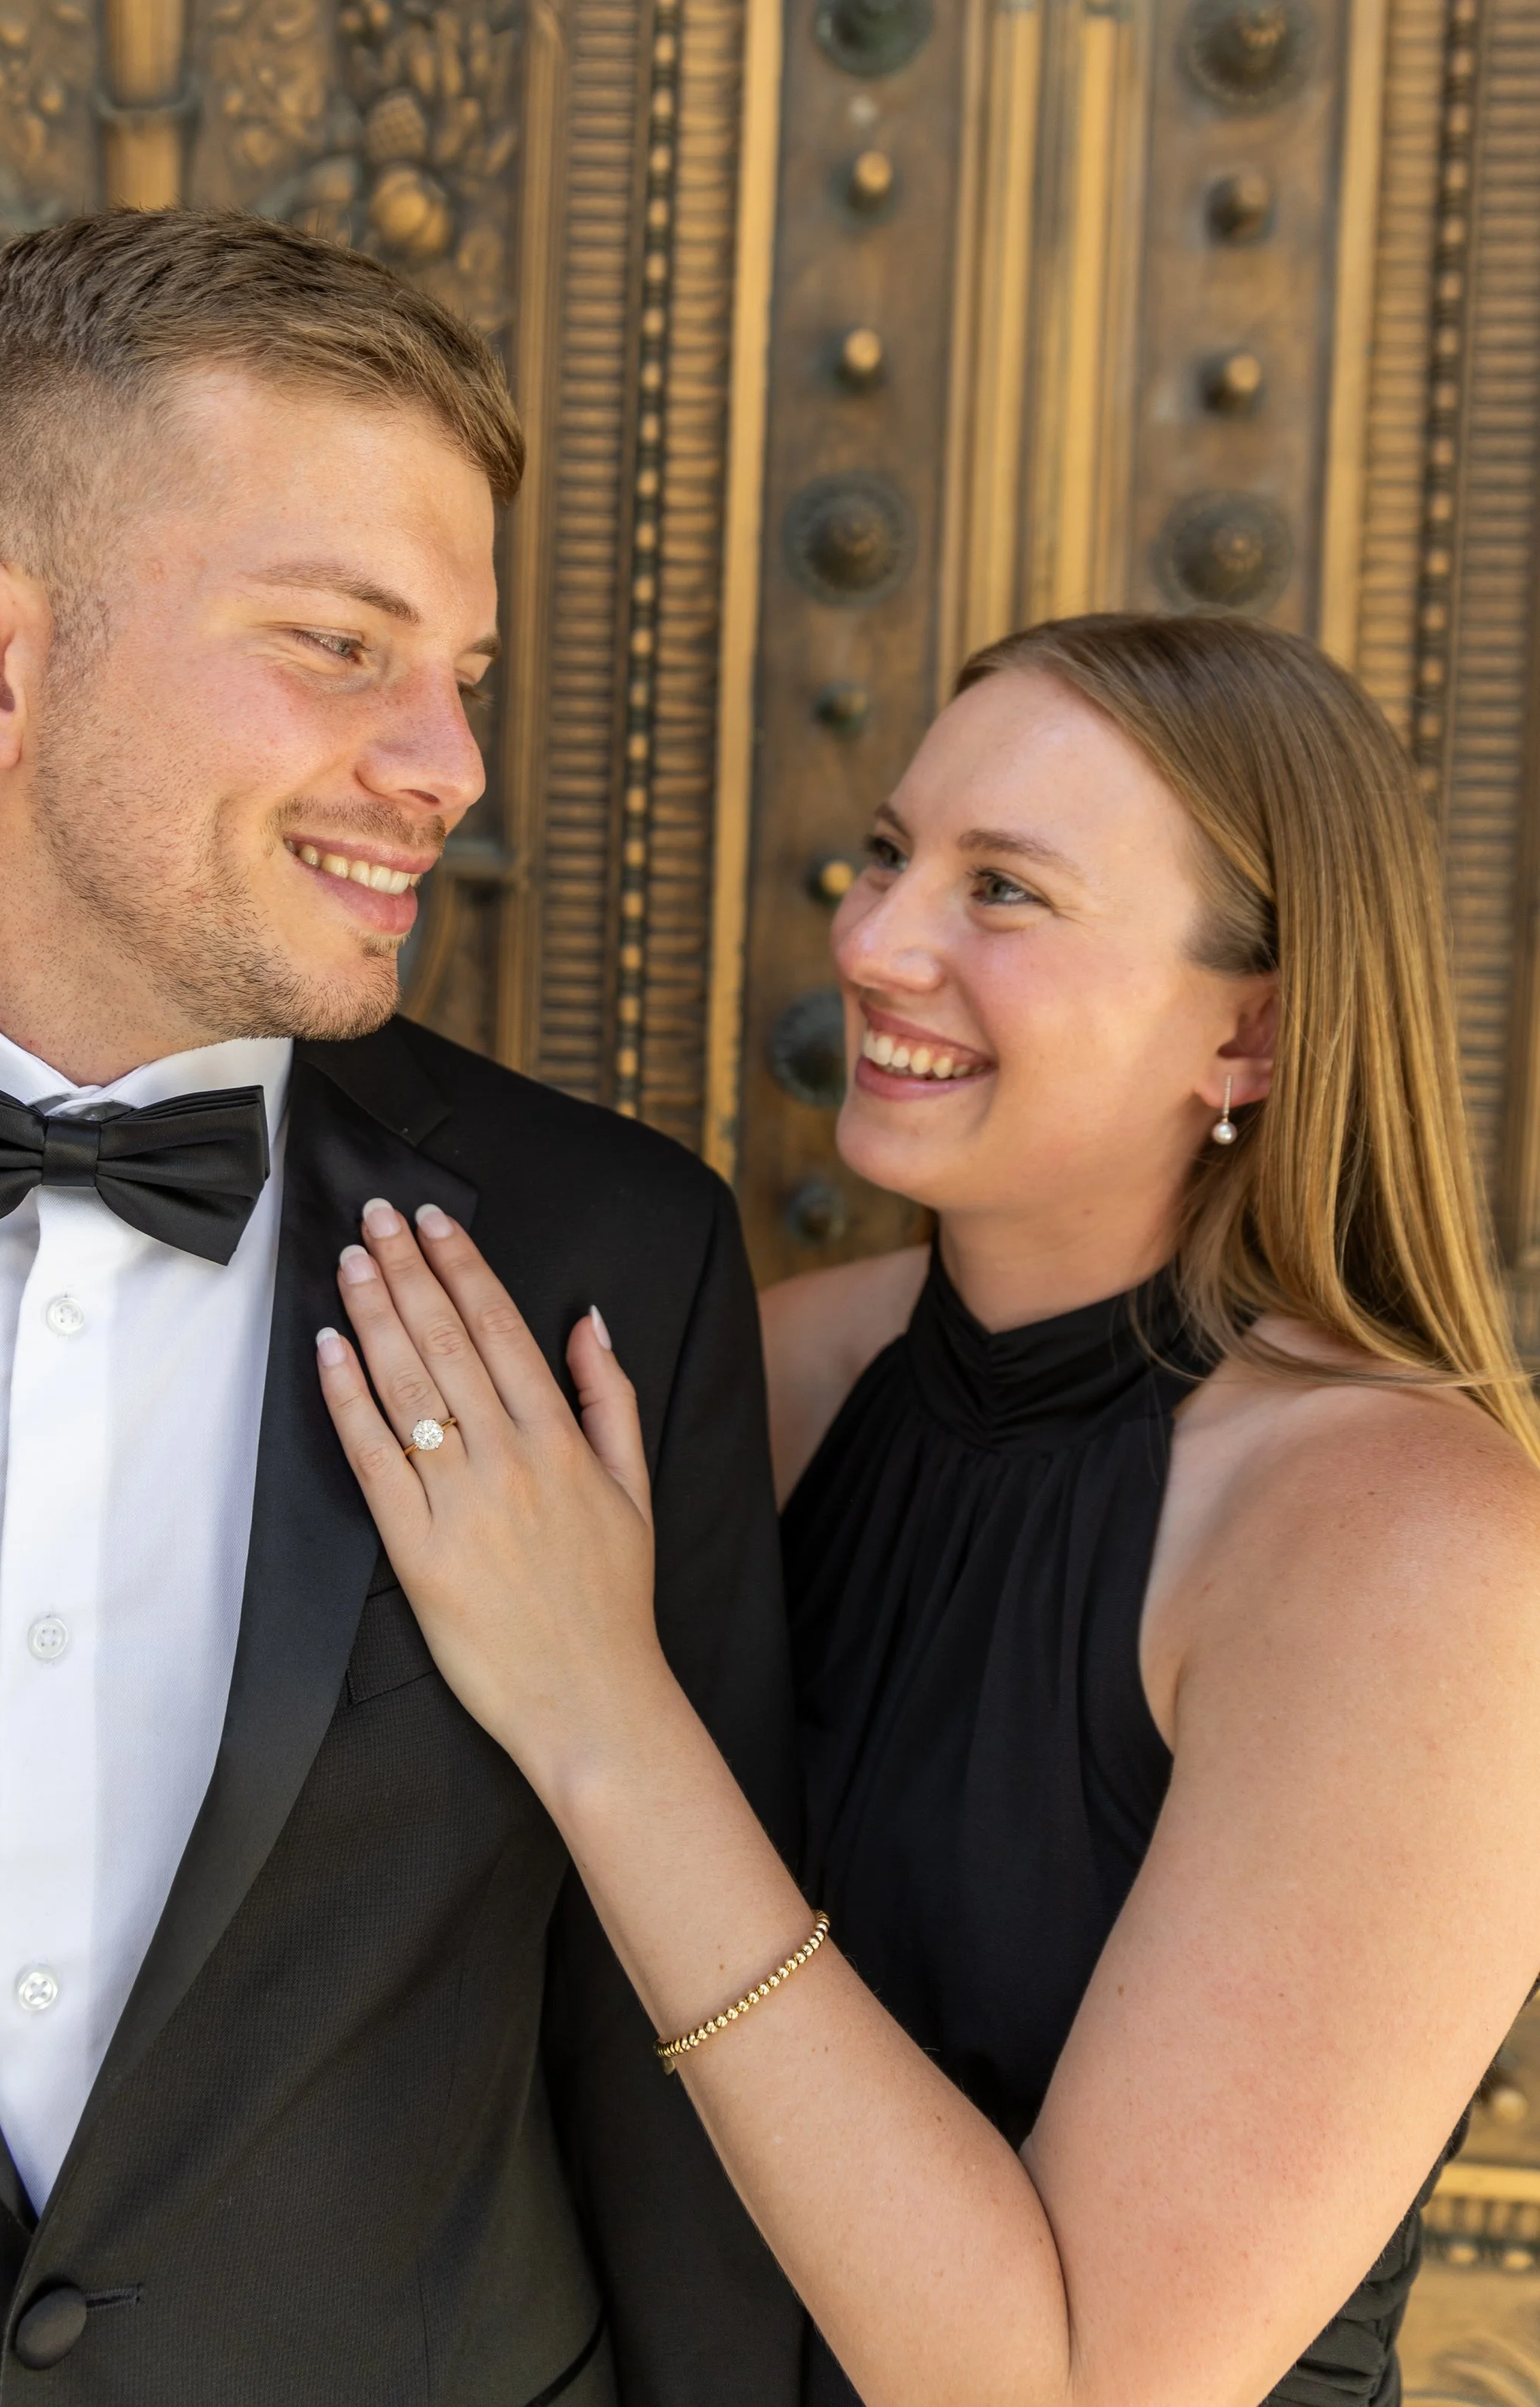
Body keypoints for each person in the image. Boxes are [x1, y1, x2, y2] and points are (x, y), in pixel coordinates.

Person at [0, 210, 803, 2404]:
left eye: (460, 670)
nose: (449, 765)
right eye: (340, 646)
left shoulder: (607, 1259)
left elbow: (665, 2079)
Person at [317, 612, 1540, 2407]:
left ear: (1252, 1035)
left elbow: (1066, 2388)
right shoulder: (779, 1376)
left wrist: (596, 1706)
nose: (875, 943)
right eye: (889, 854)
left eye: (1005, 893)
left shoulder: (1415, 1558)